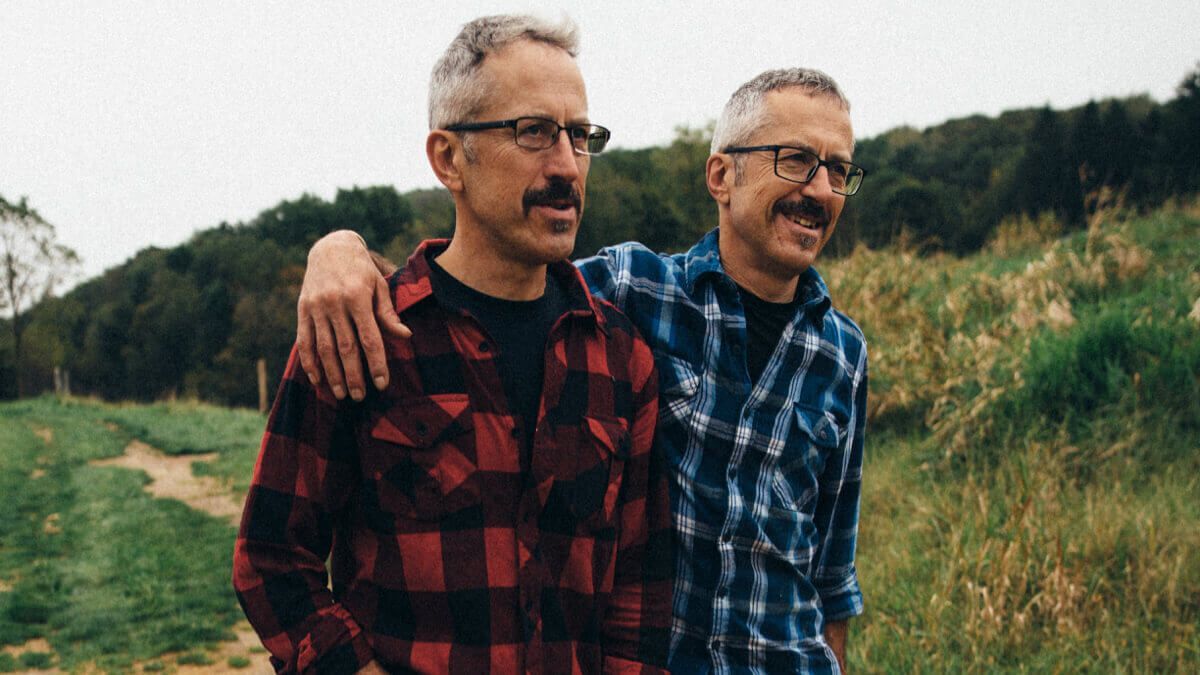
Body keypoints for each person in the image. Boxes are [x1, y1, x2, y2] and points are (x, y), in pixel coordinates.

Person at [300, 67, 868, 674]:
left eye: (838, 171)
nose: (820, 190)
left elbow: (831, 576)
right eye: (796, 160)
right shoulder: (631, 291)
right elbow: (481, 283)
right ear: (722, 176)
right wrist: (338, 250)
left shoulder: (843, 353)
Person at [233, 15, 672, 674]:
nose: (565, 165)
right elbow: (272, 556)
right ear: (447, 159)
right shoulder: (363, 332)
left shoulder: (618, 356)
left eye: (580, 136)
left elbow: (638, 591)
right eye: (533, 132)